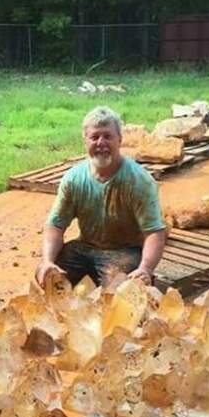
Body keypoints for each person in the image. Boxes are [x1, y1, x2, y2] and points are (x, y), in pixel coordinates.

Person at [36, 106, 167, 288]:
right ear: (85, 141)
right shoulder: (74, 179)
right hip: (85, 247)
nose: (101, 143)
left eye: (107, 136)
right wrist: (48, 261)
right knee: (48, 275)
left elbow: (154, 232)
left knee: (122, 292)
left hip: (124, 251)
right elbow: (56, 225)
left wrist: (146, 268)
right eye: (94, 137)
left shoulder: (139, 180)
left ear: (119, 140)